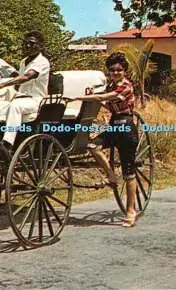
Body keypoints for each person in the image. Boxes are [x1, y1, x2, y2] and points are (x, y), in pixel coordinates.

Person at [71, 52, 139, 227]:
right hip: (114, 126)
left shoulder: (126, 86)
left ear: (124, 71)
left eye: (119, 70)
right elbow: (104, 100)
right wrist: (91, 93)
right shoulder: (111, 85)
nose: (115, 73)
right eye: (112, 70)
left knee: (129, 174)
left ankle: (131, 211)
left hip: (126, 128)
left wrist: (80, 97)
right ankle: (111, 177)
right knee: (93, 146)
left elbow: (103, 98)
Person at [0, 30, 50, 149]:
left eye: (32, 43)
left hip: (36, 101)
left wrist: (3, 84)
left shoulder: (42, 62)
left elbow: (26, 77)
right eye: (26, 43)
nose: (28, 46)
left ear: (41, 46)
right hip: (20, 98)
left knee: (15, 106)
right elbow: (18, 82)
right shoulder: (23, 61)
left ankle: (7, 143)